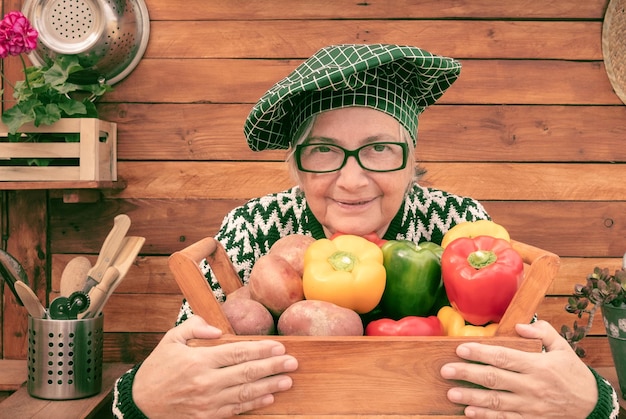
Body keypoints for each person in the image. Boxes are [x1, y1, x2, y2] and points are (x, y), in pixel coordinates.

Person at [112, 44, 620, 418]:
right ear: (296, 165)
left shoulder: (458, 226)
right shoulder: (253, 227)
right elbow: (183, 368)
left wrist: (593, 404)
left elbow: (527, 369)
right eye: (325, 150)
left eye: (380, 148)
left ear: (411, 160)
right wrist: (138, 400)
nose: (351, 180)